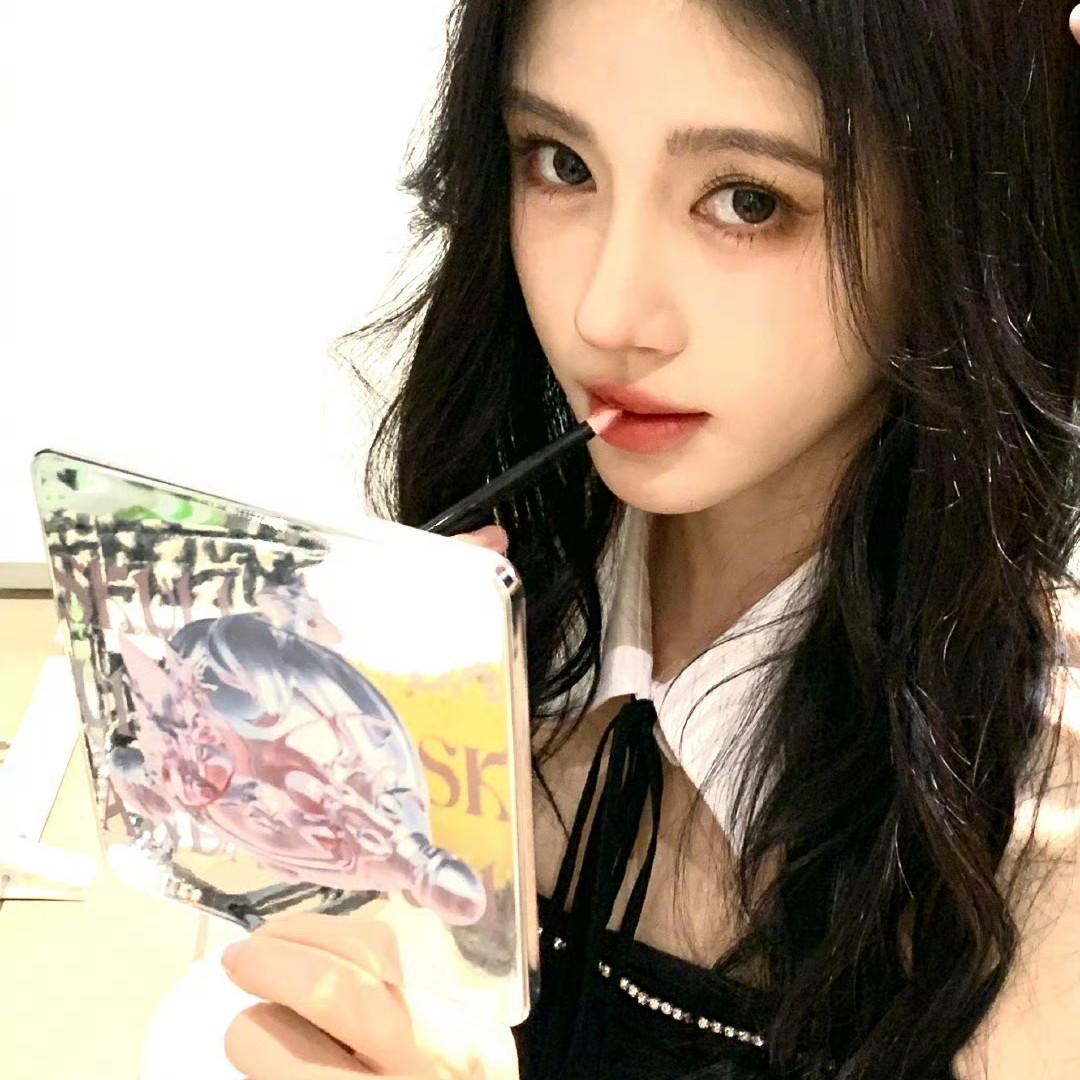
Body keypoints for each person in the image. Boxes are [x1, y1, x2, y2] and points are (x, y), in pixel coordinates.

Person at [218, 1, 1080, 1077]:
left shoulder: (1040, 856)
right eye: (562, 164)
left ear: (957, 215)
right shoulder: (445, 641)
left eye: (748, 200)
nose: (606, 313)